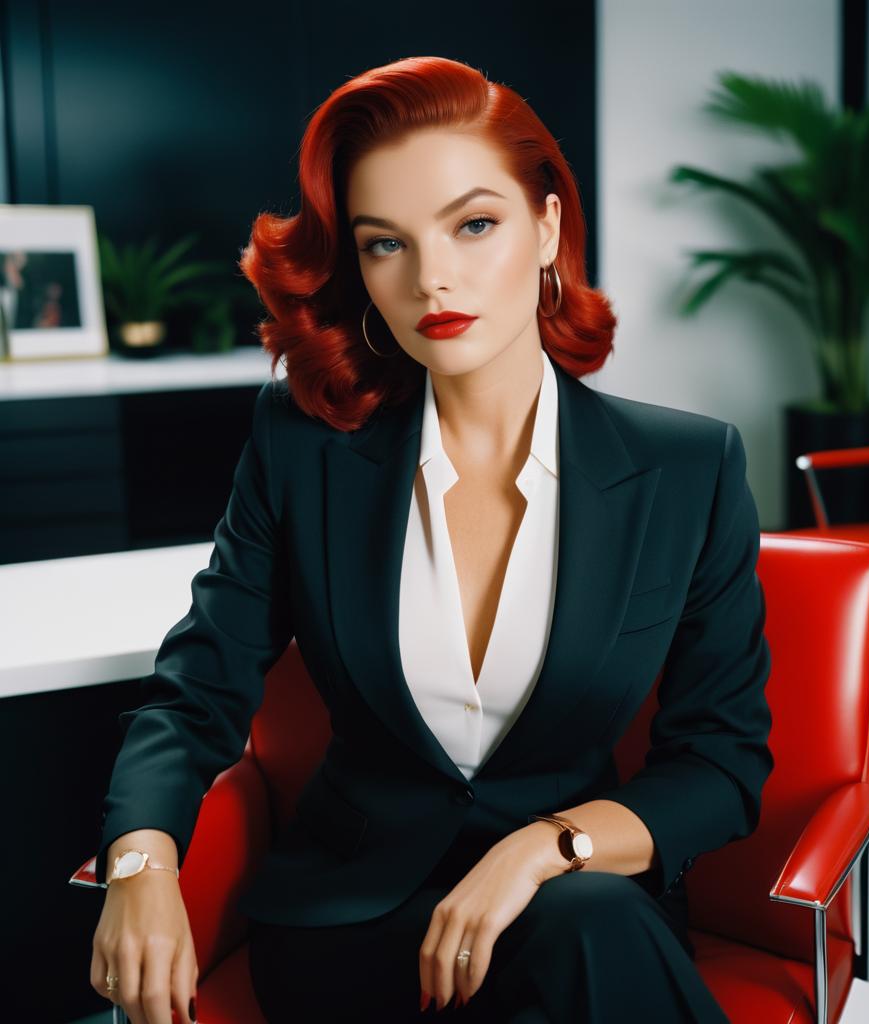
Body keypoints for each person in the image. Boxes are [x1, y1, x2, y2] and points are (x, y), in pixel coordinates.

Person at [91, 55, 773, 1024]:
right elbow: (198, 689)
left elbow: (720, 762)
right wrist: (140, 860)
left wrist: (542, 848)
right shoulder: (302, 449)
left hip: (568, 899)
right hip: (353, 917)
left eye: (474, 223)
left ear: (546, 226)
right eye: (384, 245)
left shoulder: (688, 468)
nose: (431, 277)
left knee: (589, 933)